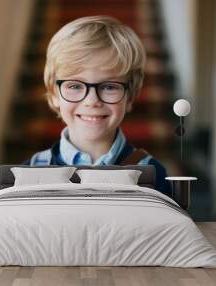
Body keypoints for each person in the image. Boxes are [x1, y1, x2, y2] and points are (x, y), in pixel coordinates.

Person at [23, 16, 171, 197]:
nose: (92, 101)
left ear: (130, 96)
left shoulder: (153, 174)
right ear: (54, 95)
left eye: (109, 86)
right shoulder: (28, 173)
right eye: (75, 86)